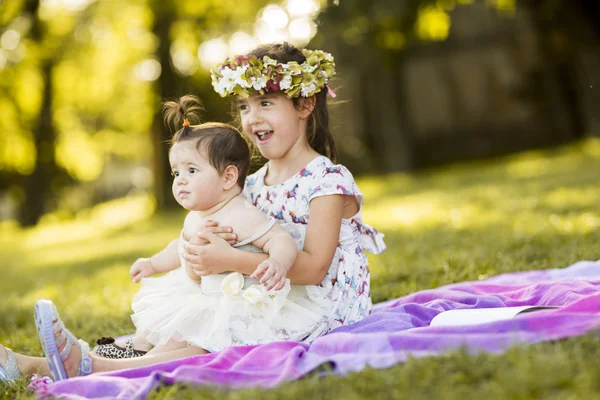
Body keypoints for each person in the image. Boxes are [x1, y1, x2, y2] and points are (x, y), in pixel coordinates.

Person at [0, 42, 385, 383]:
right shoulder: (250, 182)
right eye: (244, 106)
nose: (251, 118)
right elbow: (222, 236)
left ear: (304, 104)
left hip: (317, 308)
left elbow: (316, 267)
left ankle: (89, 368)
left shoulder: (325, 181)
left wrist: (230, 259)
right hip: (259, 295)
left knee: (209, 338)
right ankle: (41, 363)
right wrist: (197, 256)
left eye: (265, 103)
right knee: (183, 324)